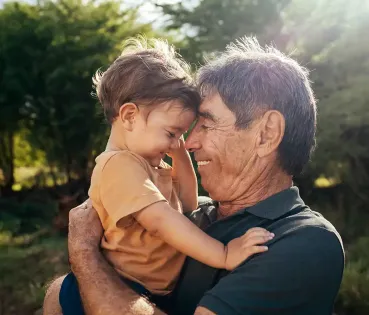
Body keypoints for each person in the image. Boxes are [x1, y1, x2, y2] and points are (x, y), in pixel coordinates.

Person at [43, 37, 344, 315]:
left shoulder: (306, 242)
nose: (188, 142)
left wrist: (84, 257)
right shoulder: (200, 213)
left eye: (207, 124)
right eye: (181, 130)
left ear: (266, 134)